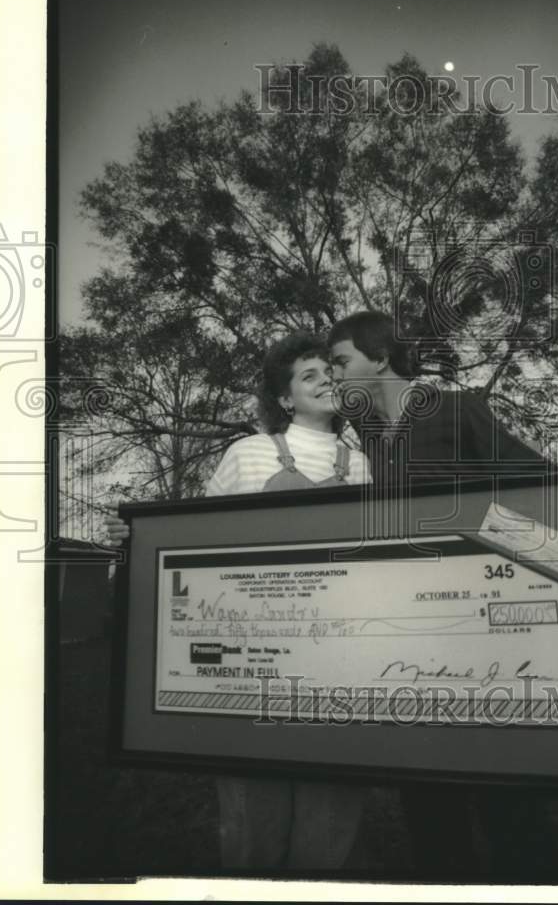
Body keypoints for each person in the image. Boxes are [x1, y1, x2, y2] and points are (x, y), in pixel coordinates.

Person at [327, 310, 558, 877]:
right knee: (429, 814)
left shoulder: (457, 409)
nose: (333, 375)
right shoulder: (368, 441)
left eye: (340, 361)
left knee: (512, 815)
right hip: (408, 655)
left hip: (486, 650)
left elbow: (546, 490)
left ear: (379, 357)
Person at [106, 332, 371, 871]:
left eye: (331, 371)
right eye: (309, 375)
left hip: (340, 665)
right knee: (254, 827)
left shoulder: (365, 462)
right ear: (284, 398)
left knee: (327, 832)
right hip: (252, 668)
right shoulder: (247, 454)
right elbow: (192, 539)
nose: (327, 382)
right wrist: (134, 539)